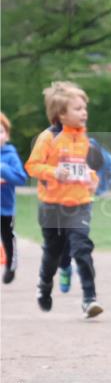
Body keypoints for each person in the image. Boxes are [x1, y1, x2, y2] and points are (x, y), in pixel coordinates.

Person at [24, 81, 103, 317]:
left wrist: (92, 180)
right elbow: (32, 166)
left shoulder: (84, 139)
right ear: (61, 114)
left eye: (84, 108)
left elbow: (88, 170)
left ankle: (90, 299)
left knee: (82, 248)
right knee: (53, 253)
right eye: (78, 109)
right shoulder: (48, 138)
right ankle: (44, 285)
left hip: (80, 204)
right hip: (52, 206)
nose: (84, 113)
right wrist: (53, 172)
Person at [57, 137, 111, 293]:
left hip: (85, 200)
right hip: (62, 201)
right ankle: (65, 267)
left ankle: (81, 261)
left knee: (78, 236)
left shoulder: (101, 156)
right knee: (62, 240)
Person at [1, 112, 28, 284]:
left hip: (5, 207)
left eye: (1, 131)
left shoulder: (10, 156)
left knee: (7, 237)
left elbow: (21, 178)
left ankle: (11, 265)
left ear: (7, 134)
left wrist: (4, 170)